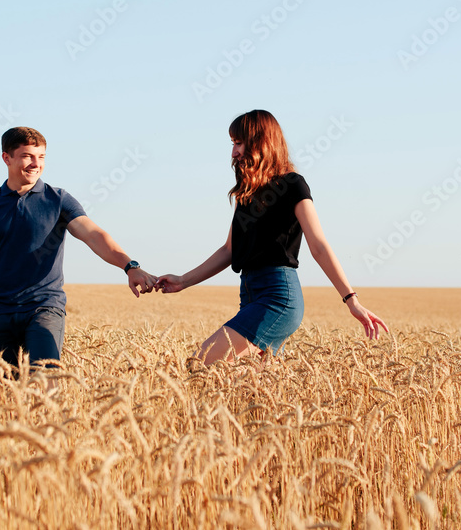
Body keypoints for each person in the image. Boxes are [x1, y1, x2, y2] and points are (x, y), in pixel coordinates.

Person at [155, 109, 387, 365]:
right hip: (250, 295)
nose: (233, 153)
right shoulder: (245, 193)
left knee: (201, 363)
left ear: (260, 142)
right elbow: (229, 250)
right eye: (232, 144)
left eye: (239, 143)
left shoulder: (293, 185)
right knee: (247, 388)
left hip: (278, 296)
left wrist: (351, 300)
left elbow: (319, 246)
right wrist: (183, 281)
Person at [0, 126, 157, 370]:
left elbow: (94, 235)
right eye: (27, 156)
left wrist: (129, 266)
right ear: (6, 158)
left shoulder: (58, 200)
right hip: (0, 313)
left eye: (41, 157)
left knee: (47, 382)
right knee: (3, 394)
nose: (35, 164)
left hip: (45, 308)